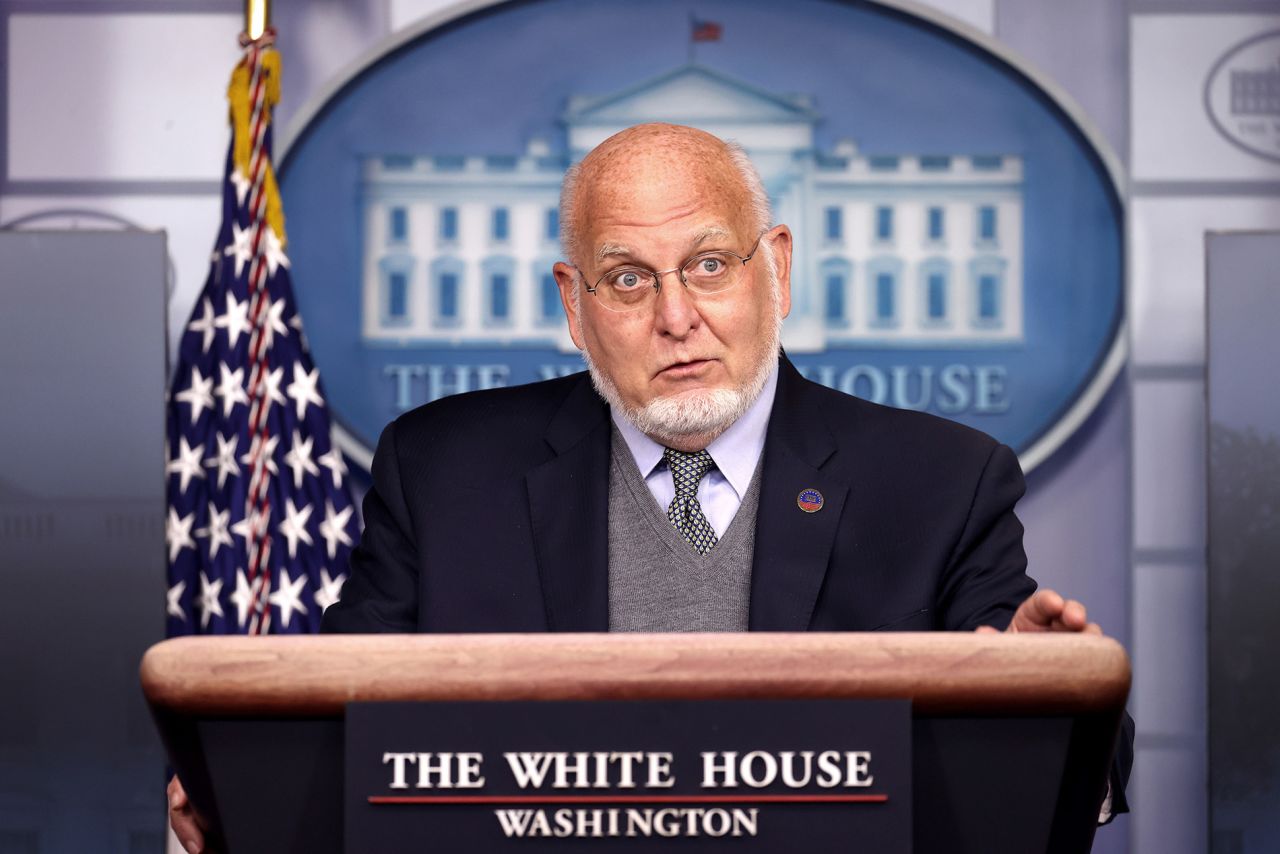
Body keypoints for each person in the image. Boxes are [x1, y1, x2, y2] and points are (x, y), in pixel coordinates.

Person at [168, 123, 1131, 851]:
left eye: (710, 265)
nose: (678, 316)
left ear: (777, 271)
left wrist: (1044, 703)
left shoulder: (938, 480)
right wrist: (242, 783)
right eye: (627, 280)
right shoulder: (443, 470)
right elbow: (334, 721)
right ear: (574, 308)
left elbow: (1077, 761)